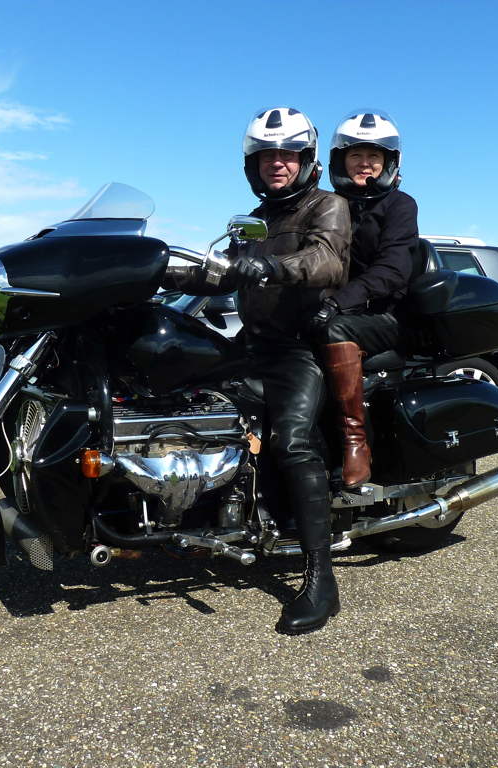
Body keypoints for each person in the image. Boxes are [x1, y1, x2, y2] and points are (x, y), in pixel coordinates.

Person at [167, 106, 351, 634]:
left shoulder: (327, 205)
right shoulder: (255, 219)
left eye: (288, 155)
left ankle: (321, 580)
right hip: (252, 343)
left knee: (292, 442)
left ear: (306, 160)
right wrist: (166, 272)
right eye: (267, 155)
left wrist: (271, 265)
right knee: (182, 398)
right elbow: (224, 273)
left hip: (300, 348)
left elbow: (327, 260)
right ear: (253, 164)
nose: (277, 163)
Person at [307, 110, 419, 489]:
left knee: (334, 329)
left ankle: (355, 443)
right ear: (341, 161)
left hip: (385, 316)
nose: (365, 163)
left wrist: (338, 302)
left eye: (374, 156)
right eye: (356, 155)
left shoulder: (400, 206)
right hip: (333, 310)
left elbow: (393, 270)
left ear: (389, 163)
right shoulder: (327, 204)